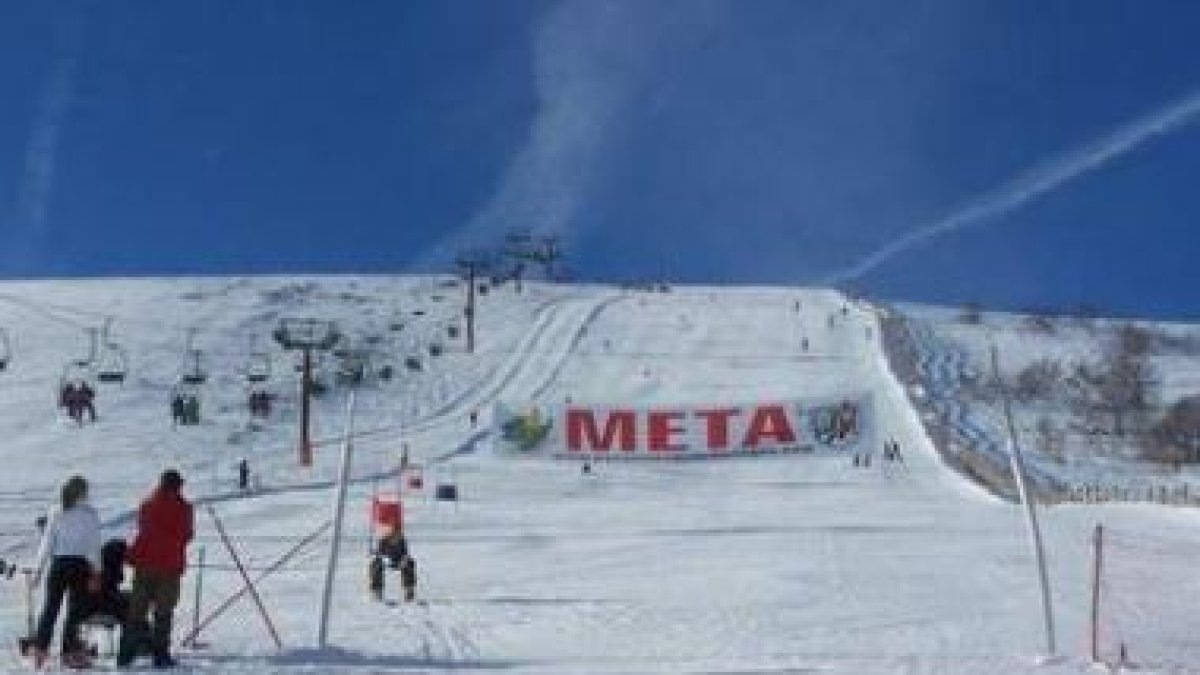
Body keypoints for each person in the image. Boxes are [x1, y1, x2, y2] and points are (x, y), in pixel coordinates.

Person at [119, 470, 194, 669]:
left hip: (144, 564)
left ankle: (125, 655)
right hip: (169, 565)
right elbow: (186, 535)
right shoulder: (184, 508)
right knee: (163, 612)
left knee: (136, 611)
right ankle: (160, 656)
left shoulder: (147, 504)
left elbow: (142, 528)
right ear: (177, 486)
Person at [30, 475, 102, 670]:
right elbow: (94, 546)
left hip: (59, 565)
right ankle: (70, 653)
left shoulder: (56, 512)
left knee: (50, 609)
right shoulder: (90, 514)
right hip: (80, 566)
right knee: (74, 612)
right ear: (83, 492)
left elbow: (47, 544)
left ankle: (39, 651)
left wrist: (38, 570)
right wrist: (96, 572)